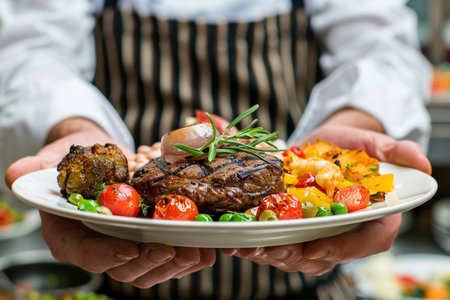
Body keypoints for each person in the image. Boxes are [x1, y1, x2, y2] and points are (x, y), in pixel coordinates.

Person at [1, 0, 433, 299]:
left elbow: (384, 51)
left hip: (306, 285)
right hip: (118, 268)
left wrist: (354, 124)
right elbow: (31, 49)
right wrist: (75, 129)